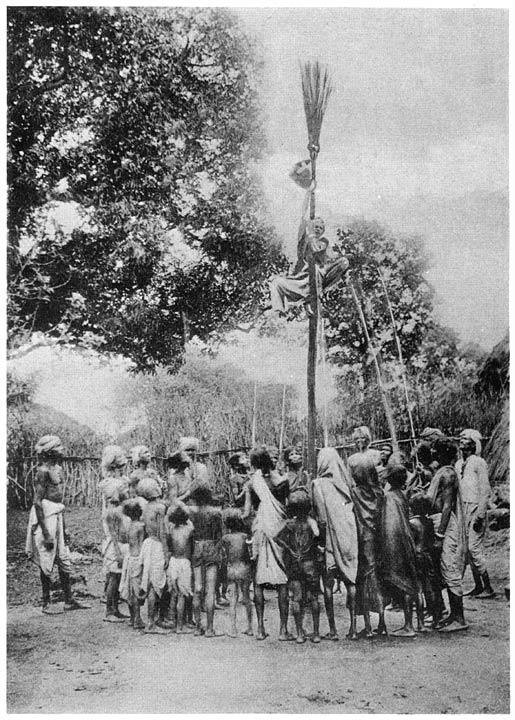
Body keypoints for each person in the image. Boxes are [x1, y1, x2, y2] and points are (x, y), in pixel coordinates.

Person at [25, 435, 90, 615]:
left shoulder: (57, 469)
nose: (62, 449)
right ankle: (46, 602)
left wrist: (65, 527)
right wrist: (46, 533)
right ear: (50, 450)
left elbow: (59, 504)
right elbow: (38, 502)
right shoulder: (43, 471)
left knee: (63, 557)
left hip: (57, 516)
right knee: (47, 559)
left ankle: (69, 600)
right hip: (45, 518)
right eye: (59, 447)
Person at [244, 445, 291, 641]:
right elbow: (288, 509)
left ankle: (260, 629)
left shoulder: (251, 483)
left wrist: (254, 524)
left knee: (259, 580)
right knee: (282, 580)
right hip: (279, 531)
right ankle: (283, 630)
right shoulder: (283, 483)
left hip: (260, 529)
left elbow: (246, 513)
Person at [311, 448, 359, 640]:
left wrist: (321, 541)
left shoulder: (318, 484)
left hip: (330, 538)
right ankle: (354, 628)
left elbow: (322, 518)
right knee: (350, 579)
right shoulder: (345, 484)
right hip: (348, 536)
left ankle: (333, 629)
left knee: (328, 583)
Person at [347, 427, 386, 637]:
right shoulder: (379, 493)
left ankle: (369, 626)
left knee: (364, 576)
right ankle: (381, 622)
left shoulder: (354, 493)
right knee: (375, 574)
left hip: (362, 536)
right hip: (374, 534)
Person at [426, 438, 468, 633]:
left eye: (436, 451)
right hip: (437, 521)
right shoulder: (441, 472)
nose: (433, 453)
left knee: (449, 567)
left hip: (444, 525)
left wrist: (440, 534)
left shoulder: (449, 474)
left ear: (444, 454)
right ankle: (452, 614)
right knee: (443, 568)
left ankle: (459, 618)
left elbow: (447, 506)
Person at [379, 463, 423, 637]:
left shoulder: (388, 497)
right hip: (407, 541)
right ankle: (413, 623)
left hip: (394, 544)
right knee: (410, 584)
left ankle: (408, 626)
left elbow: (389, 525)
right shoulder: (402, 495)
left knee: (403, 584)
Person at [276, 491, 322, 644]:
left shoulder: (290, 524)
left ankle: (299, 634)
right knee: (313, 598)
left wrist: (289, 549)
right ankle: (316, 634)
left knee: (296, 599)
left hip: (295, 564)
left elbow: (276, 537)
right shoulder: (310, 522)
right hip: (310, 564)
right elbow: (317, 535)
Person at [455, 429, 494, 598]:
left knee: (474, 547)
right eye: (461, 440)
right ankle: (478, 585)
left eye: (466, 440)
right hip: (462, 508)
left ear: (473, 444)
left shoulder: (479, 462)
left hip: (475, 508)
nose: (462, 442)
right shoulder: (458, 464)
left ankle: (488, 587)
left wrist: (480, 514)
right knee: (466, 550)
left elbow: (485, 490)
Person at [99, 445, 131, 623]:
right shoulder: (112, 486)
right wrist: (117, 546)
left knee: (118, 574)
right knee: (113, 573)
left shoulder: (119, 481)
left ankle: (115, 608)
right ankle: (110, 611)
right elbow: (110, 519)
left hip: (121, 533)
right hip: (115, 537)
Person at [188, 482, 224, 637]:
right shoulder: (215, 513)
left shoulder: (191, 512)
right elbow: (220, 536)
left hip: (196, 547)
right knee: (210, 590)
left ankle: (197, 627)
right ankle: (210, 628)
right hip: (211, 547)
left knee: (197, 588)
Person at [139, 478, 171, 634]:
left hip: (149, 544)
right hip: (157, 545)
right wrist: (166, 552)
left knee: (152, 581)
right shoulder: (160, 507)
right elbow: (162, 532)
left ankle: (155, 618)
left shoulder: (146, 507)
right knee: (156, 585)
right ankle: (151, 622)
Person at [409, 492, 445, 629]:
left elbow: (411, 542)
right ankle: (436, 617)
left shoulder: (412, 523)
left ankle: (420, 621)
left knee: (418, 589)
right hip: (428, 556)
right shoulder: (429, 522)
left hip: (417, 557)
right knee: (430, 588)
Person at [220, 509, 253, 638]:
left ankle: (233, 629)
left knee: (233, 599)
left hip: (231, 568)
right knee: (246, 598)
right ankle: (250, 627)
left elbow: (223, 554)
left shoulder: (226, 538)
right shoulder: (244, 536)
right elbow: (248, 554)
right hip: (244, 568)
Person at [166, 501, 194, 634]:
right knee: (182, 596)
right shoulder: (189, 530)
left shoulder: (171, 530)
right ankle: (179, 626)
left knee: (173, 594)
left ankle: (172, 620)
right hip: (184, 562)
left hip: (173, 561)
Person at [119, 499, 145, 630]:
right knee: (136, 591)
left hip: (129, 557)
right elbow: (142, 544)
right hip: (137, 558)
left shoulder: (129, 526)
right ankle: (138, 619)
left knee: (129, 589)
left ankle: (132, 617)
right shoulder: (141, 526)